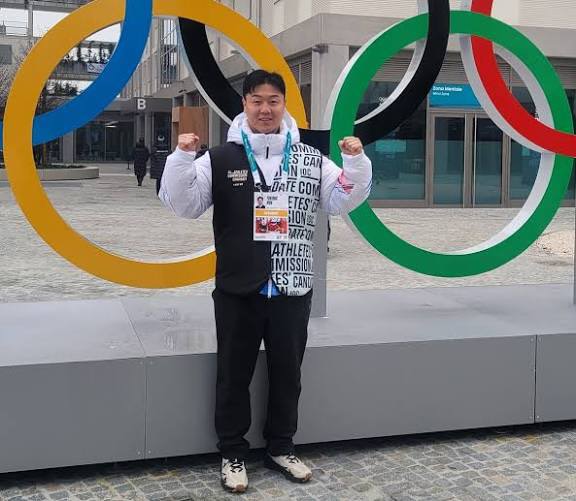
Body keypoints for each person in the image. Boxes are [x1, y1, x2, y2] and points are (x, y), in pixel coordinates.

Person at [159, 70, 372, 494]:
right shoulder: (221, 158)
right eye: (256, 100)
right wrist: (181, 158)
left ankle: (281, 446)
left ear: (284, 104)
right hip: (238, 287)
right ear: (244, 104)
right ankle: (232, 452)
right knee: (232, 374)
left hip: (292, 286)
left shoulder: (310, 159)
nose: (265, 109)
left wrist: (355, 163)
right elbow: (185, 205)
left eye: (273, 100)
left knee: (287, 373)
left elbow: (342, 198)